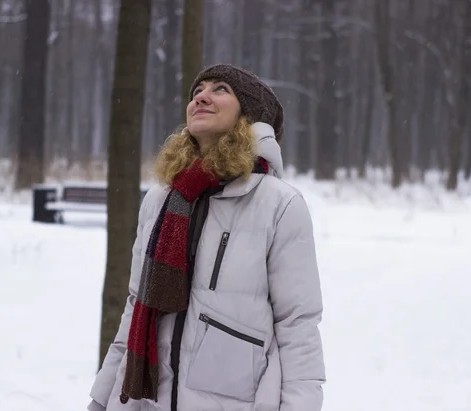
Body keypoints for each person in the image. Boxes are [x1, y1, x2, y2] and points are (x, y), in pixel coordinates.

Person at [88, 64, 325, 411]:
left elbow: (298, 325)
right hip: (151, 400)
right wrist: (102, 397)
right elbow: (136, 305)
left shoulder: (278, 204)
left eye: (220, 89)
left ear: (250, 116)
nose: (202, 96)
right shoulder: (161, 201)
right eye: (198, 90)